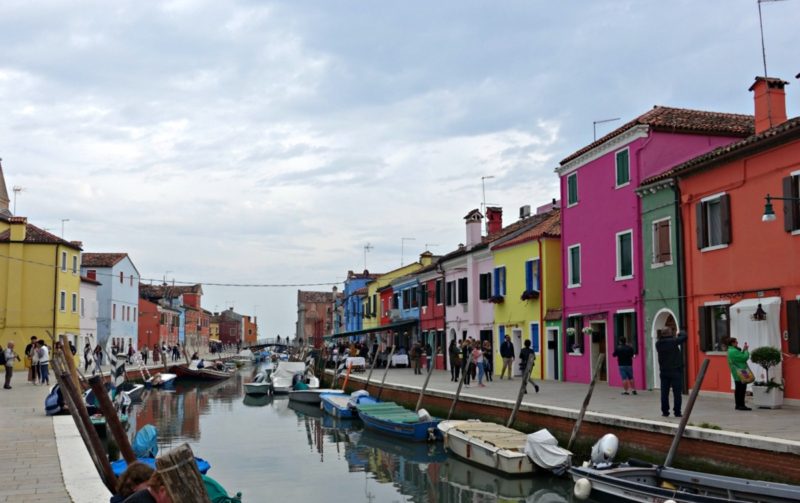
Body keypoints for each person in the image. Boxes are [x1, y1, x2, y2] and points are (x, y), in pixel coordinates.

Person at [655, 328, 687, 417]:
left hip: (664, 371)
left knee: (664, 393)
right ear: (670, 333)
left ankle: (665, 411)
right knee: (677, 393)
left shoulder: (658, 343)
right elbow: (684, 337)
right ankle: (677, 412)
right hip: (675, 370)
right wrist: (680, 332)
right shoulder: (673, 341)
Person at [724, 337, 752, 411]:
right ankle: (741, 405)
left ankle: (738, 405)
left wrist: (743, 350)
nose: (737, 343)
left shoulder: (731, 350)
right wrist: (746, 351)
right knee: (742, 389)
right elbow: (744, 358)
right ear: (732, 343)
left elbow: (739, 357)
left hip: (737, 371)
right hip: (741, 371)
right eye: (736, 342)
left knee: (738, 389)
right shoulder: (733, 351)